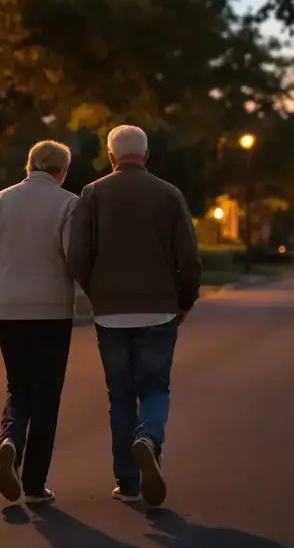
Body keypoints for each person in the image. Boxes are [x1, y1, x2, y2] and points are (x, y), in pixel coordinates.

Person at [66, 124, 201, 508]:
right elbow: (189, 258)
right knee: (155, 387)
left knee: (121, 396)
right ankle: (149, 437)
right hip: (159, 309)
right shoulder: (169, 194)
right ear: (146, 155)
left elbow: (77, 256)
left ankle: (127, 482)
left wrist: (98, 291)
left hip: (111, 314)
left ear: (111, 157)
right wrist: (185, 300)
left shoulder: (92, 194)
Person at [0, 140, 78, 505]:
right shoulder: (68, 203)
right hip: (52, 311)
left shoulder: (1, 200)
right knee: (47, 395)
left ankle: (10, 439)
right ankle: (34, 484)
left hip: (8, 308)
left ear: (28, 166)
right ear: (62, 171)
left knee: (19, 387)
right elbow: (73, 257)